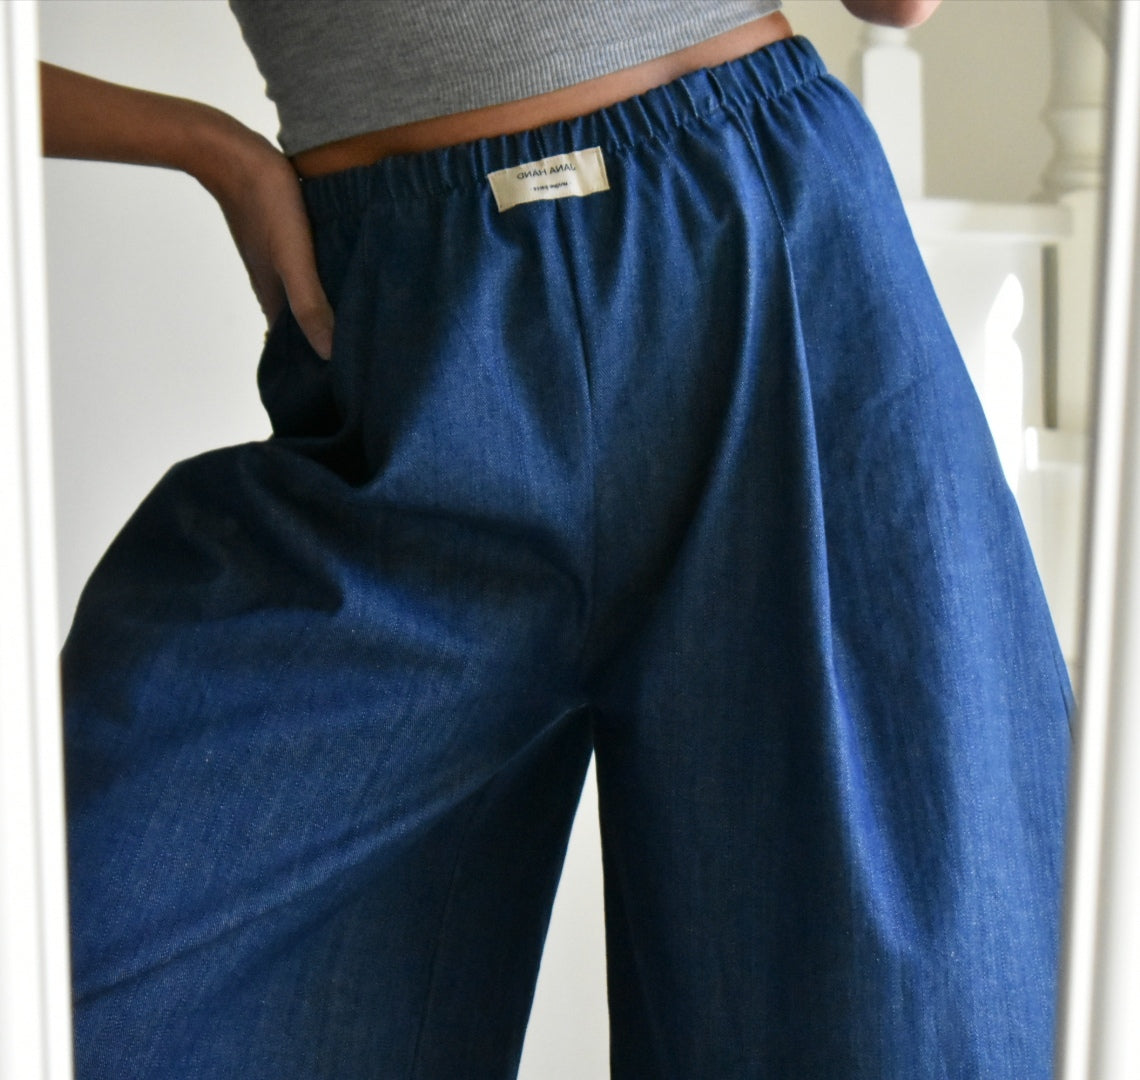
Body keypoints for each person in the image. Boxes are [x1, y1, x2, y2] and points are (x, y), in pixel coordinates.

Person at [43, 1, 1071, 1077]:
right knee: (62, 961)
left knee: (894, 1029)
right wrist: (211, 150)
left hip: (767, 281)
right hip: (401, 353)